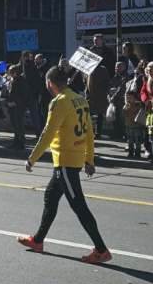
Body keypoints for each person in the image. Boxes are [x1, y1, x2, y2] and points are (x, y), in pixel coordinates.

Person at [18, 66, 111, 264]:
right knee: (50, 197)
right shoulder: (80, 99)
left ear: (50, 83)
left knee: (79, 205)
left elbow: (47, 133)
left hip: (65, 162)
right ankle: (38, 240)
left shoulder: (58, 102)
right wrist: (89, 158)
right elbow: (89, 132)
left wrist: (32, 158)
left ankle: (101, 250)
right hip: (74, 158)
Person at [2, 65, 30, 153]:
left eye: (11, 72)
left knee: (19, 124)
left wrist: (16, 102)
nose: (9, 74)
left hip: (18, 106)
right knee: (14, 124)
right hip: (11, 105)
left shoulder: (21, 81)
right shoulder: (11, 80)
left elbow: (24, 94)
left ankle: (21, 142)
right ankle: (16, 141)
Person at [85, 60, 110, 139]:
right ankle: (93, 132)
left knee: (97, 115)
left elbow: (106, 82)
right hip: (95, 96)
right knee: (94, 115)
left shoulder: (102, 70)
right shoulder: (89, 70)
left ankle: (96, 132)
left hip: (98, 95)